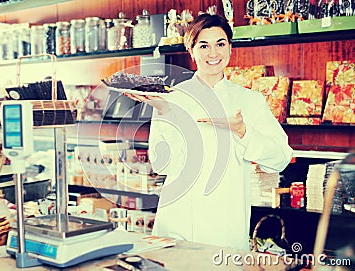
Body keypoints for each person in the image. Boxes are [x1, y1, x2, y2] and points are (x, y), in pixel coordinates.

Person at [124, 13, 293, 250]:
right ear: (192, 51)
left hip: (225, 229)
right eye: (204, 45)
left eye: (220, 44)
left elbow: (280, 159)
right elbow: (162, 165)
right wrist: (165, 112)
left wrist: (243, 131)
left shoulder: (250, 100)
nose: (213, 53)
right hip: (177, 224)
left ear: (230, 49)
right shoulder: (171, 98)